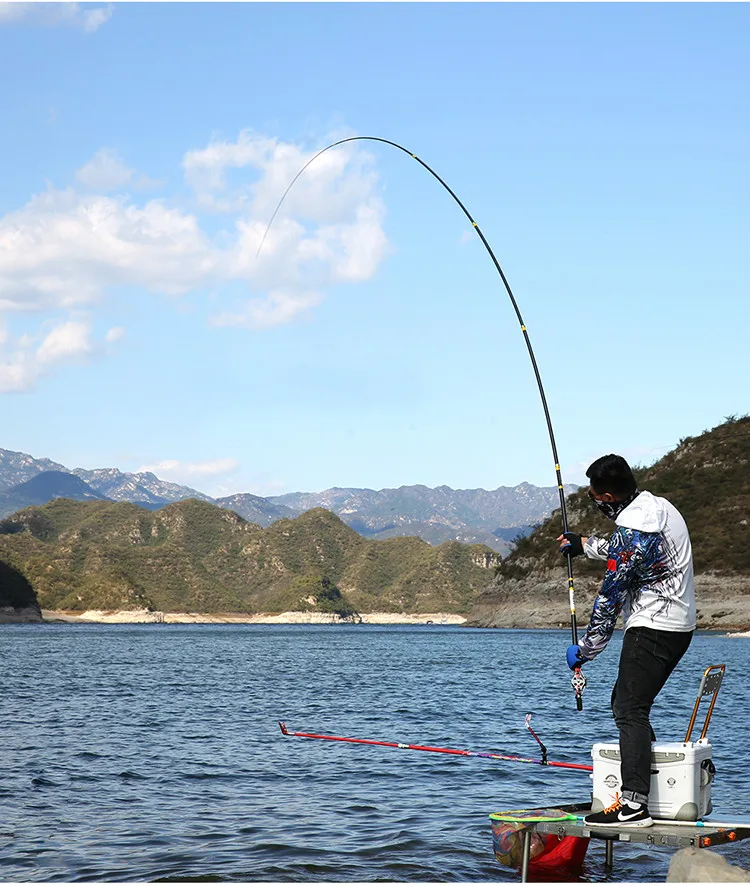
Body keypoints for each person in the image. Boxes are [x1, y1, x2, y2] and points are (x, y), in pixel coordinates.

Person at [558, 454, 696, 828]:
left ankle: (634, 805)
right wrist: (584, 544)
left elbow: (610, 598)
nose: (595, 505)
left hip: (654, 626)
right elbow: (632, 553)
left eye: (593, 500)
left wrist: (585, 650)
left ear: (606, 497)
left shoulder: (635, 525)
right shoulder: (657, 508)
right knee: (628, 703)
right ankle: (647, 790)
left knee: (629, 708)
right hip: (678, 625)